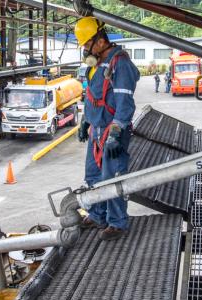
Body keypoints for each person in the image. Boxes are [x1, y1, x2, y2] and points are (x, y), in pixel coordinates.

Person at [75, 16, 140, 241]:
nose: (85, 49)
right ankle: (97, 214)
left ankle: (117, 223)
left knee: (113, 178)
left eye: (87, 44)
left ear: (101, 41)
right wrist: (85, 120)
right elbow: (94, 96)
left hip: (112, 132)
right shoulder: (98, 63)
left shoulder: (119, 63)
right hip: (96, 128)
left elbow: (125, 103)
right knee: (93, 176)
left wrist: (116, 131)